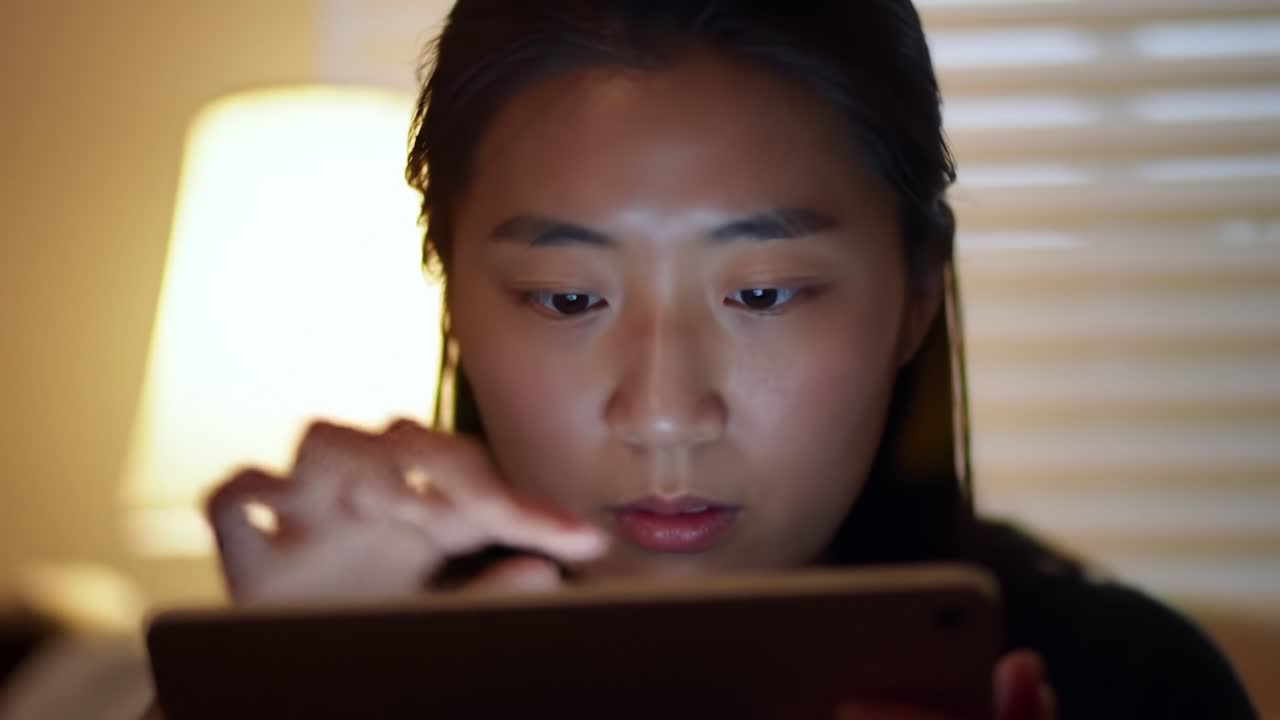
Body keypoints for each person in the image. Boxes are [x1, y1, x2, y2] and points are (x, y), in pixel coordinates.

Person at [180, 1, 1256, 718]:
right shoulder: (351, 681)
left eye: (760, 294)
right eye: (564, 298)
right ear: (453, 298)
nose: (662, 412)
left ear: (911, 300)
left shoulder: (1119, 683)